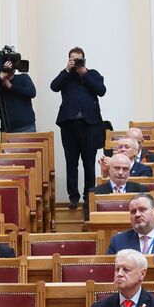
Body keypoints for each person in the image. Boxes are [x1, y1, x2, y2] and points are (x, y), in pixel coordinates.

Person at [51, 47, 107, 210]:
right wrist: (67, 70)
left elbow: (101, 90)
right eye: (73, 59)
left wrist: (84, 72)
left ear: (84, 59)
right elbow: (54, 86)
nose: (76, 62)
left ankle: (89, 196)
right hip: (69, 125)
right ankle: (73, 198)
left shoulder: (93, 74)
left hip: (89, 125)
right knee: (71, 162)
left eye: (79, 59)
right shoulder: (66, 76)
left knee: (89, 163)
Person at [0, 58, 37, 132]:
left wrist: (11, 87)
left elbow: (32, 92)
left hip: (26, 127)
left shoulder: (23, 78)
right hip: (7, 129)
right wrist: (1, 75)